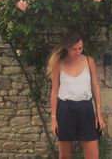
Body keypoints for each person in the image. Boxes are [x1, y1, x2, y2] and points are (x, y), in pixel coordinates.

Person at [46, 31, 105, 159]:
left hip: (86, 109)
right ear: (66, 48)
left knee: (93, 155)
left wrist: (99, 114)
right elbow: (54, 91)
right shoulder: (58, 64)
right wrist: (53, 118)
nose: (78, 52)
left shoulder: (89, 61)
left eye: (80, 48)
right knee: (65, 156)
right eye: (74, 49)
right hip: (65, 110)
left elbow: (95, 87)